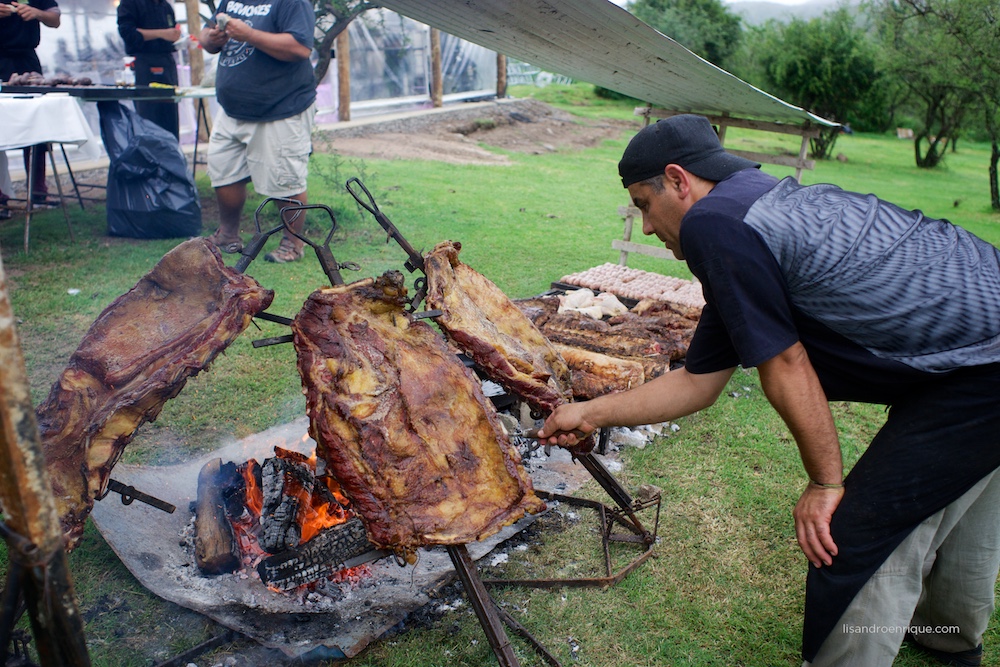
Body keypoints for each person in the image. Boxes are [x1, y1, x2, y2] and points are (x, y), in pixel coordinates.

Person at [536, 114, 1000, 667]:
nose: (647, 224)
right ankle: (949, 641)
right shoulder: (752, 209)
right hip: (972, 354)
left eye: (643, 203)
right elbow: (698, 381)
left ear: (679, 180)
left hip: (981, 371)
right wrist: (589, 412)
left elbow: (785, 360)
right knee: (964, 495)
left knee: (853, 533)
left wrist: (825, 482)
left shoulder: (714, 226)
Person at [198, 0, 316, 263]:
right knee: (223, 171)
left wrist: (248, 35)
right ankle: (228, 235)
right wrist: (212, 38)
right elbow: (206, 37)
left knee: (284, 180)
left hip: (280, 107)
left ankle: (293, 244)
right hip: (232, 110)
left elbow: (300, 47)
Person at [0, 0, 61, 207]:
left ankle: (38, 191)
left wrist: (36, 13)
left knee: (37, 123)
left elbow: (55, 18)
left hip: (27, 59)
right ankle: (1, 197)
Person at [116, 0, 181, 138]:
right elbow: (128, 33)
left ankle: (172, 153)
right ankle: (149, 155)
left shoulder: (165, 6)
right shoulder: (130, 4)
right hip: (144, 62)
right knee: (148, 115)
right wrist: (161, 33)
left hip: (167, 61)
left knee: (170, 115)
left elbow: (172, 32)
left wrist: (178, 38)